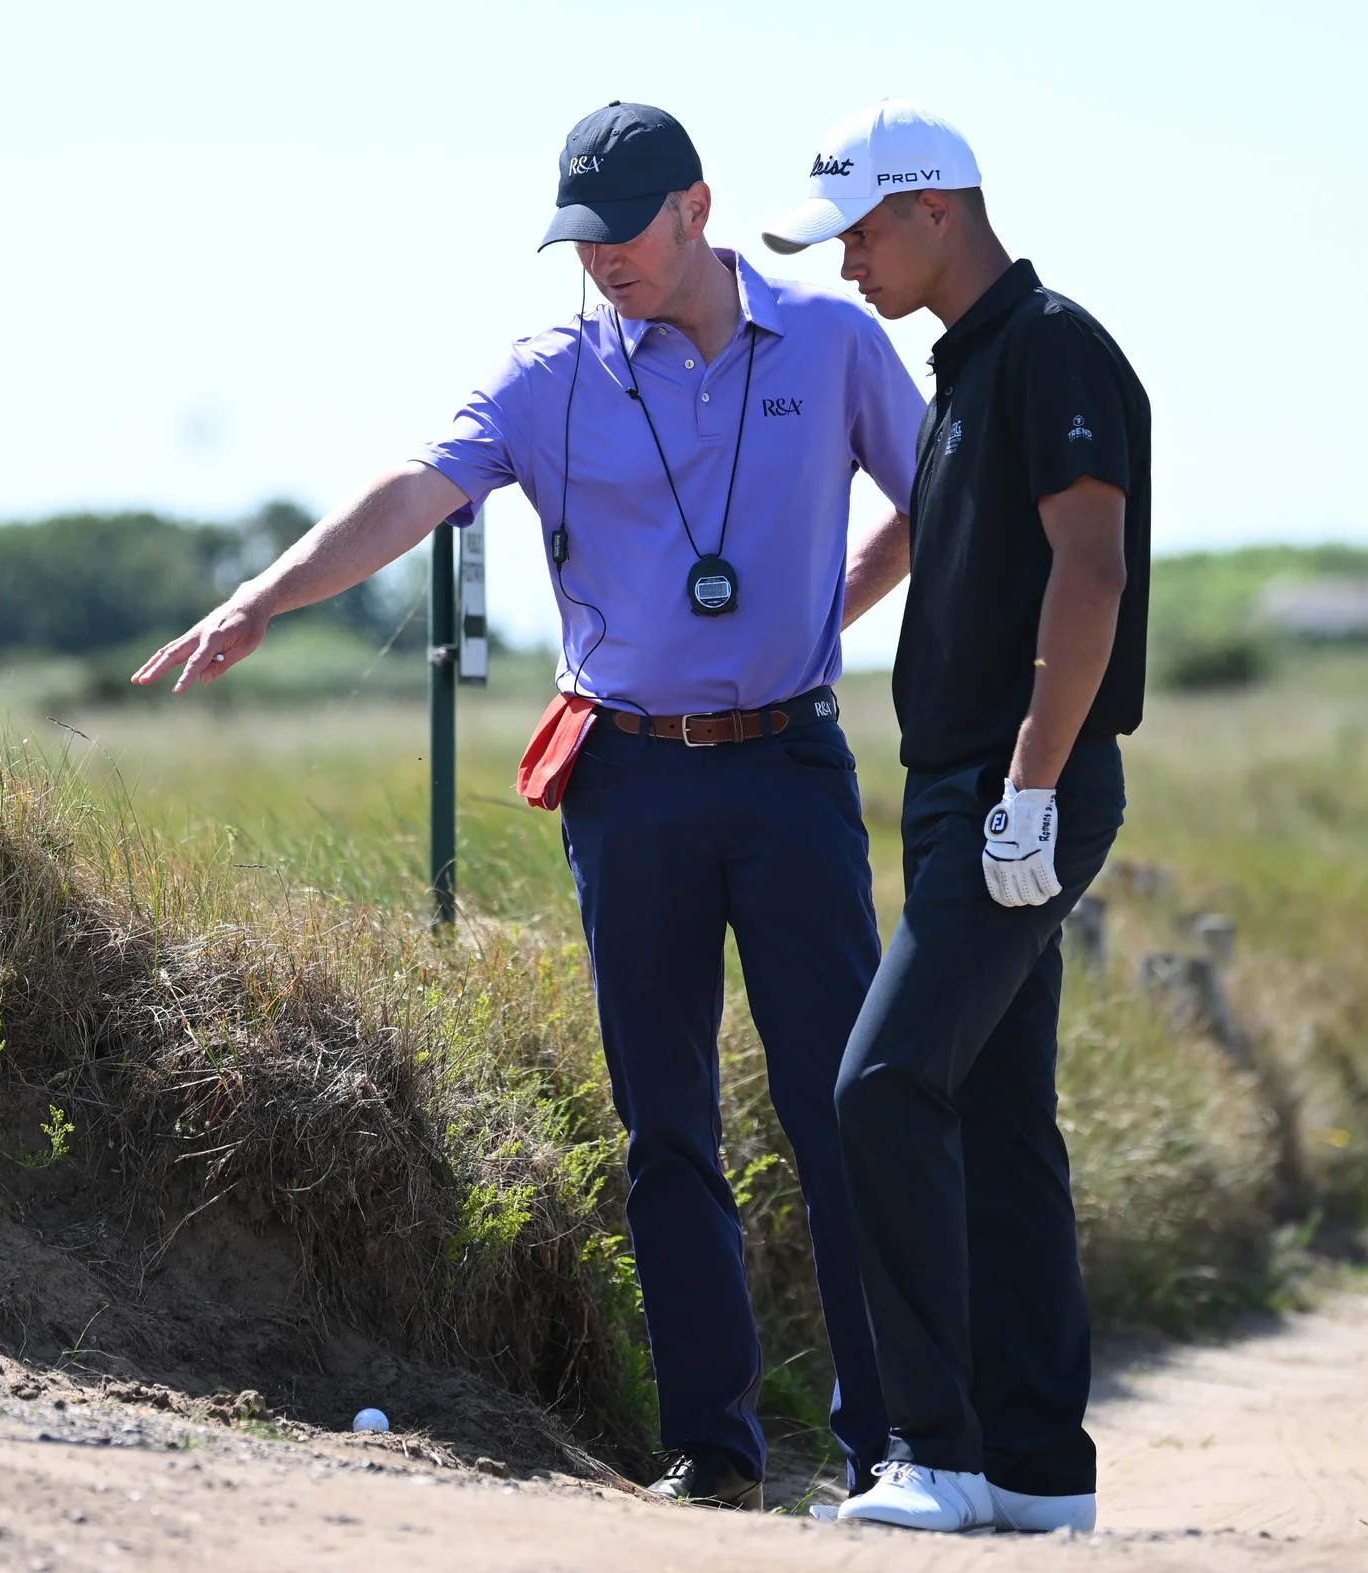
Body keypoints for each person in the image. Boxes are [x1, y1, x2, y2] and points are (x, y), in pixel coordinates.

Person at [134, 102, 925, 1510]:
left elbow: (939, 496)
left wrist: (835, 607)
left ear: (694, 207)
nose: (600, 261)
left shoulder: (833, 342)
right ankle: (716, 1452)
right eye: (579, 240)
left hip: (791, 770)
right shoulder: (549, 374)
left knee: (836, 1107)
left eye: (622, 233)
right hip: (624, 778)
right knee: (664, 1124)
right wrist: (264, 598)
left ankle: (889, 1448)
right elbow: (415, 491)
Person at [762, 99, 1151, 1534]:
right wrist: (810, 627)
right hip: (968, 794)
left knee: (882, 1089)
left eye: (859, 231)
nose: (845, 261)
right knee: (996, 1119)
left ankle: (933, 1447)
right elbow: (927, 530)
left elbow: (1090, 573)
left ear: (935, 208)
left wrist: (1031, 791)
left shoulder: (1052, 348)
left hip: (1015, 790)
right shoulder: (971, 369)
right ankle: (1038, 1471)